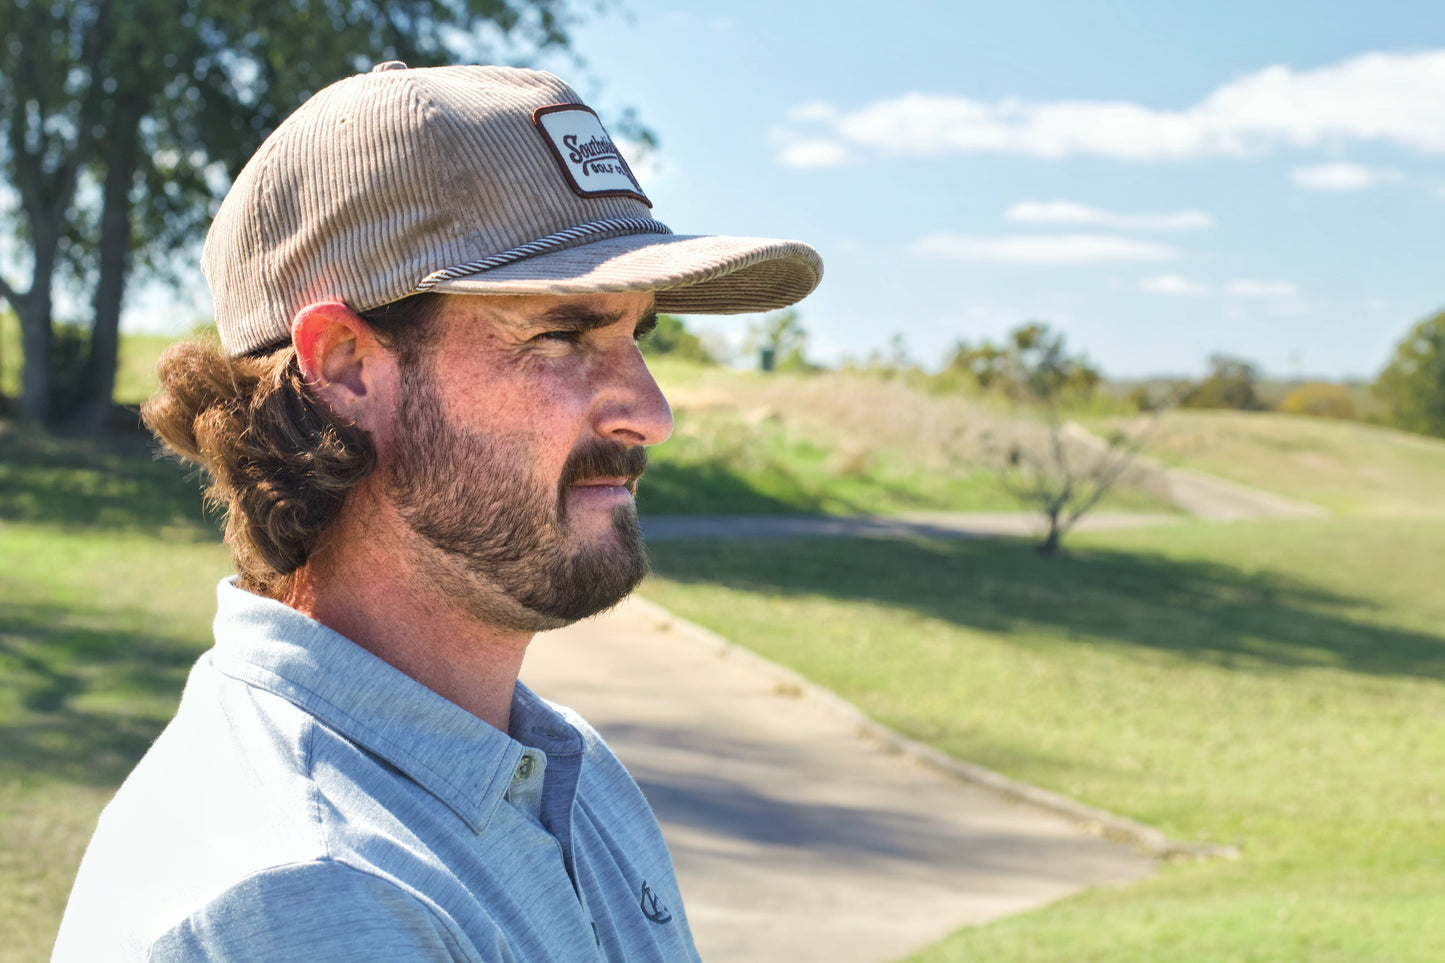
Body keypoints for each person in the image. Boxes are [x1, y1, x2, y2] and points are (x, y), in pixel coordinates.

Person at [52, 62, 821, 961]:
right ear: (344, 367)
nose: (649, 412)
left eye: (634, 335)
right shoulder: (313, 892)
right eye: (563, 334)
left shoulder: (566, 770)